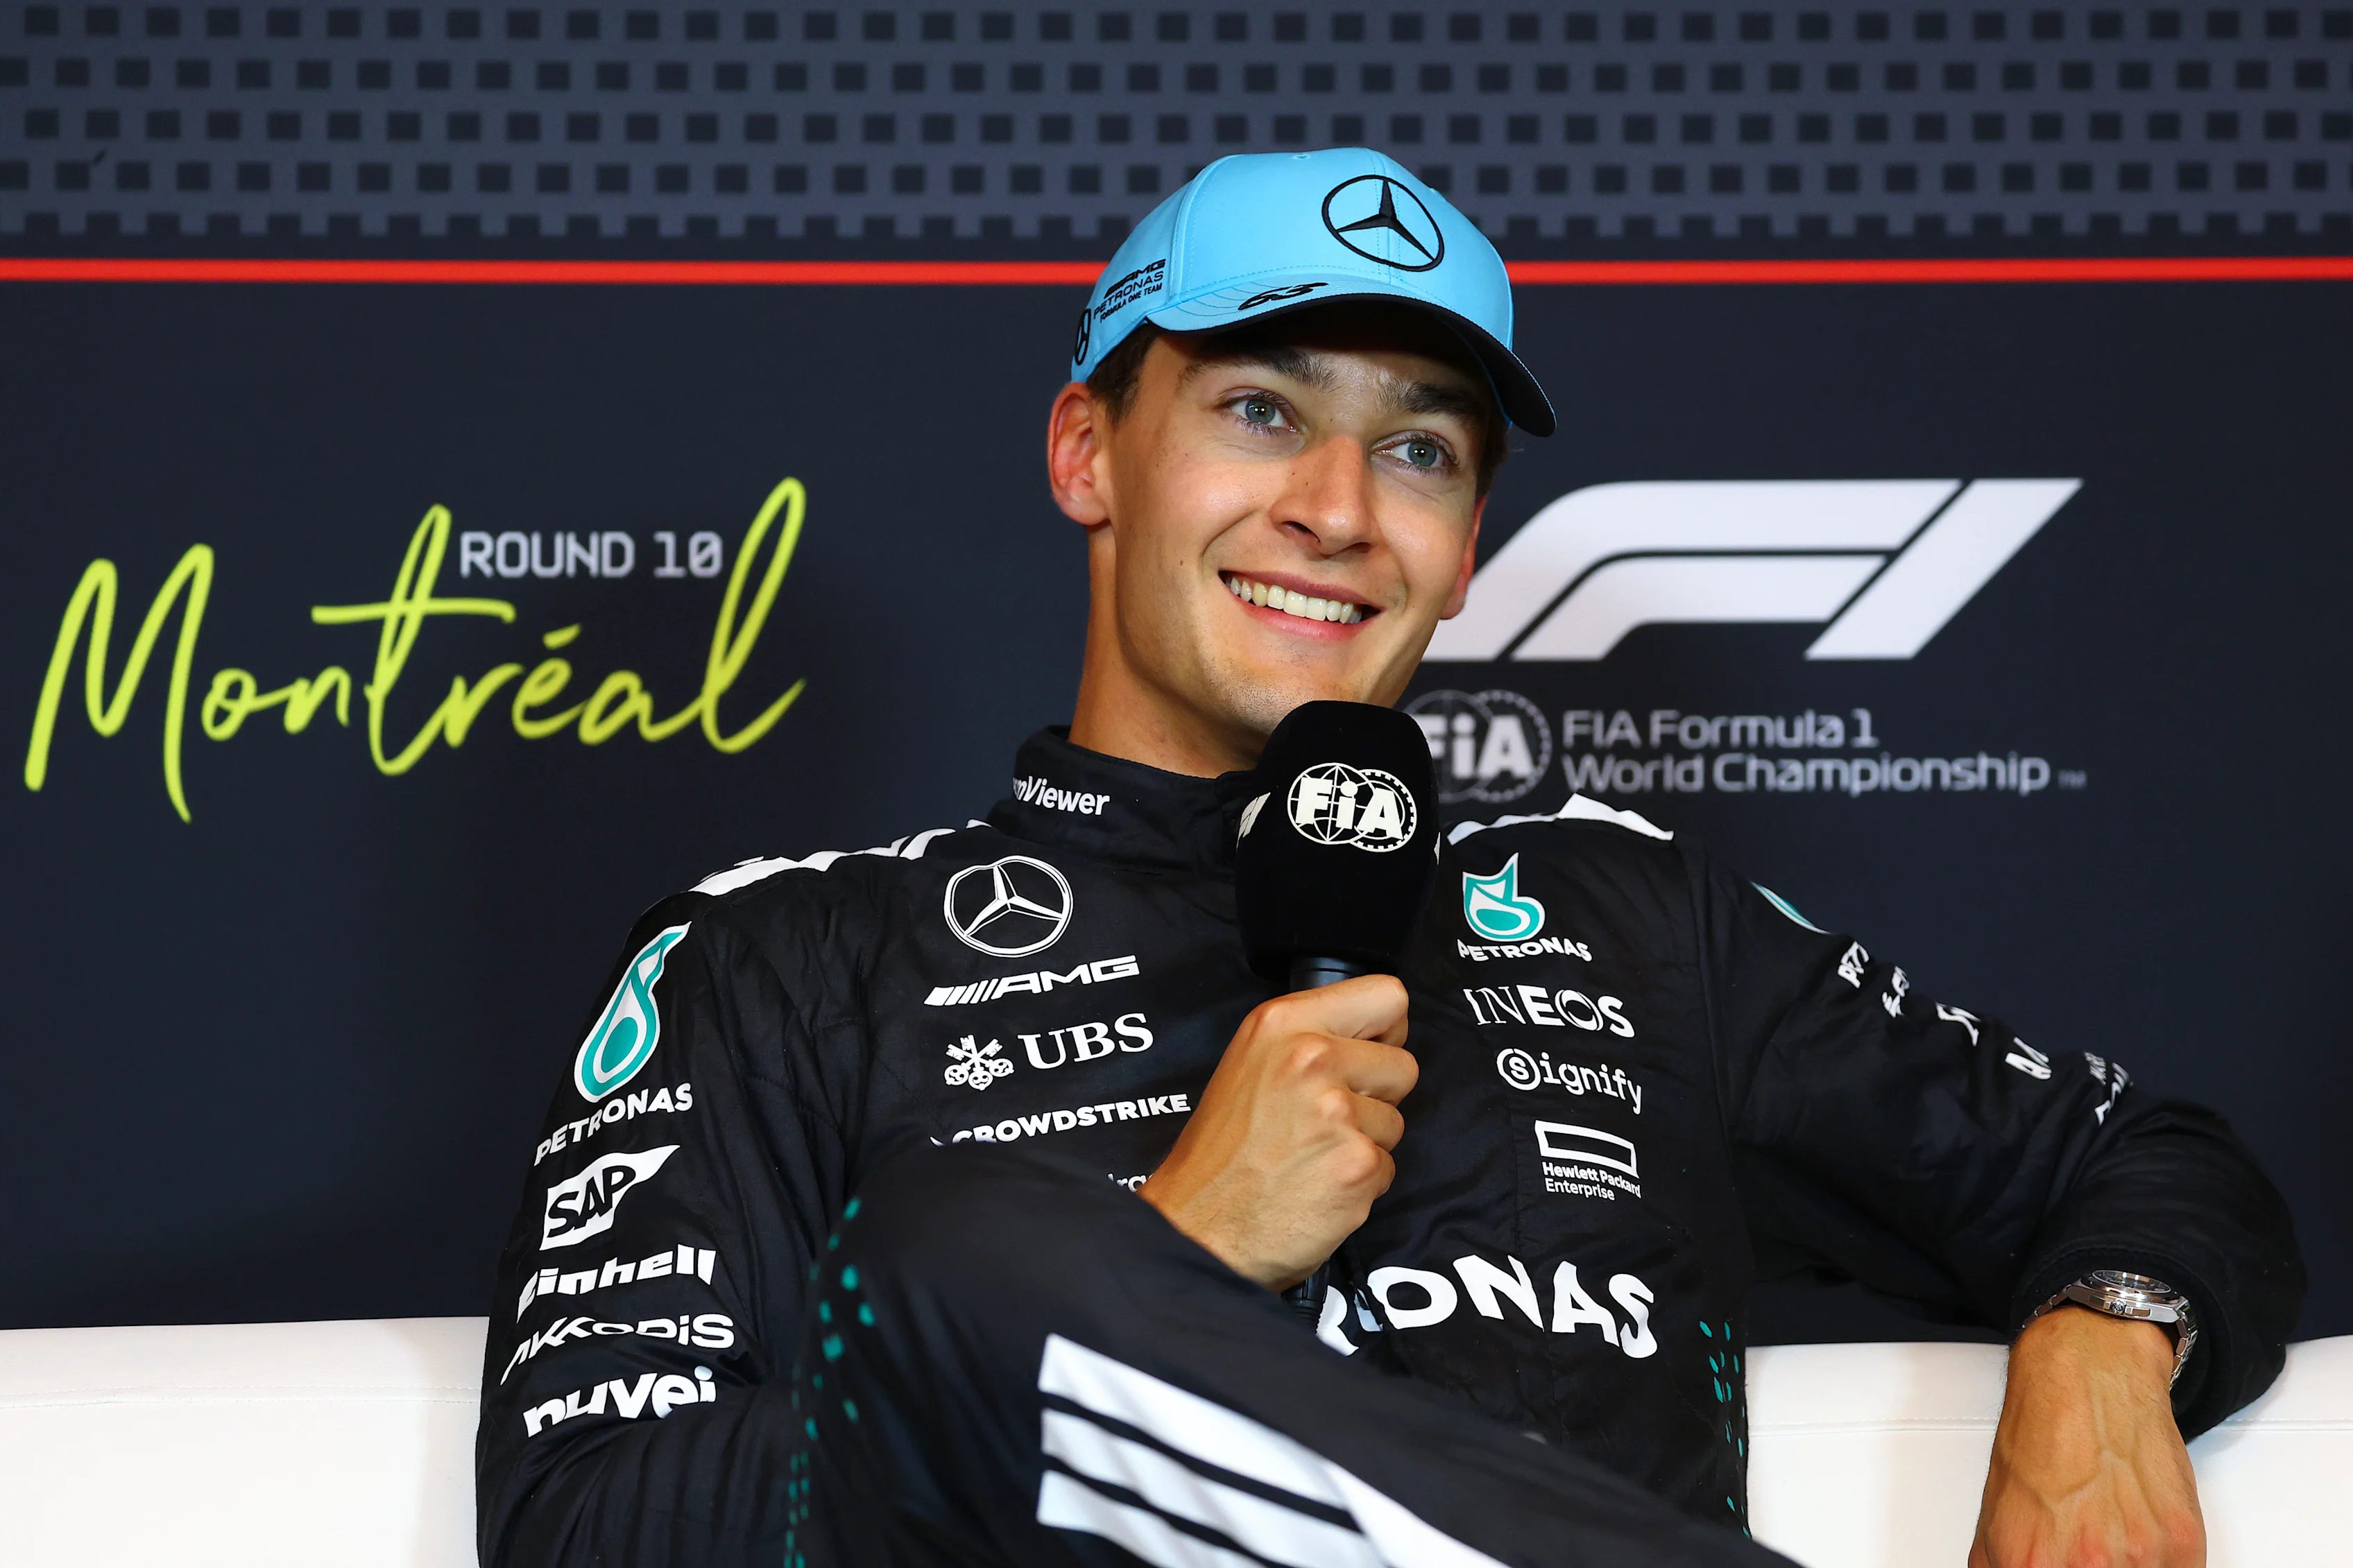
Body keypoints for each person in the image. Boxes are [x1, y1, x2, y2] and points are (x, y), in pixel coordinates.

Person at [475, 149, 2302, 1568]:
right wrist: (1174, 1251)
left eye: (1417, 449)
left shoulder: (1616, 910)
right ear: (1089, 452)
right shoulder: (785, 959)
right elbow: (587, 1521)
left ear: (1470, 542)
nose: (1339, 511)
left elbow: (2142, 1161)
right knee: (963, 1257)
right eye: (1262, 410)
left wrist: (2099, 1354)